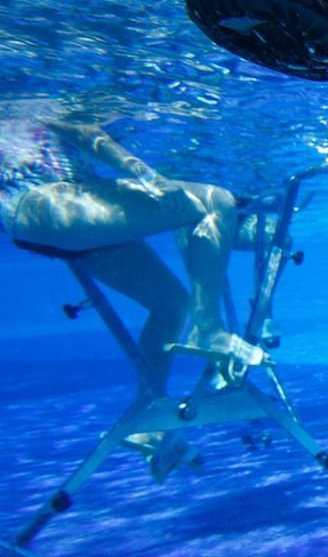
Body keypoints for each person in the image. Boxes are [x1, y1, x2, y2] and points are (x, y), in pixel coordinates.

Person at [0, 108, 268, 389]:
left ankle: (150, 423)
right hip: (45, 201)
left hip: (39, 218)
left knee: (171, 305)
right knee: (216, 201)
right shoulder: (55, 91)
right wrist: (148, 176)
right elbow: (78, 128)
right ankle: (208, 329)